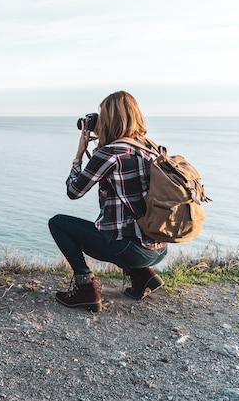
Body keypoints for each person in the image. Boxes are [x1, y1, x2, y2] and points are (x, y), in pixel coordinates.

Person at [48, 91, 168, 312]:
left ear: (109, 119)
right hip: (159, 248)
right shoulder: (151, 148)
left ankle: (86, 289)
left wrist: (79, 153)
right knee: (119, 228)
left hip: (131, 250)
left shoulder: (111, 153)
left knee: (58, 223)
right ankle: (143, 276)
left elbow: (74, 191)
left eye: (102, 116)